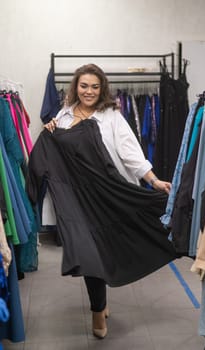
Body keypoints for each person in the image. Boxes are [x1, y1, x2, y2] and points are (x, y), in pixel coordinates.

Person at [26, 64, 176, 340]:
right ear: (76, 87)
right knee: (88, 253)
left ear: (102, 88)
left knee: (113, 246)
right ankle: (98, 308)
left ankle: (106, 294)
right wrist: (50, 130)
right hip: (78, 200)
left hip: (110, 193)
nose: (89, 91)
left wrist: (153, 180)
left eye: (95, 86)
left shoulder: (112, 115)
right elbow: (50, 154)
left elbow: (130, 152)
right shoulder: (63, 115)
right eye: (84, 85)